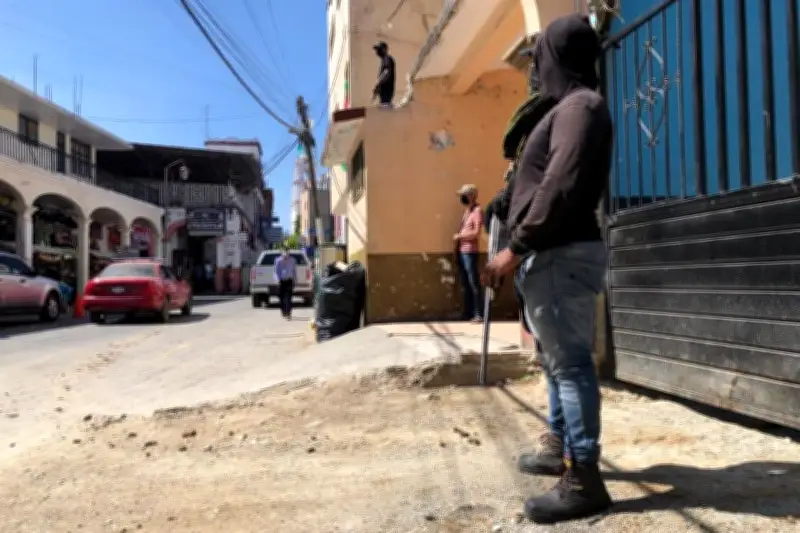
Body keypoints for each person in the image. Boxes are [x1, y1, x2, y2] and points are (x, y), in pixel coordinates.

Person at [481, 14, 613, 524]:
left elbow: (560, 184)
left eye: (540, 57)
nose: (536, 68)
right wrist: (508, 199)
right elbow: (541, 179)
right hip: (551, 255)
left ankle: (584, 479)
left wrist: (514, 248)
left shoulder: (581, 106)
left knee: (572, 364)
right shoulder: (566, 108)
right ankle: (558, 448)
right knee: (557, 362)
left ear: (559, 56)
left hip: (558, 253)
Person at [454, 184, 484, 323]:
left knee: (473, 283)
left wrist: (460, 237)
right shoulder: (468, 211)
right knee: (466, 283)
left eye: (464, 195)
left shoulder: (477, 211)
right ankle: (468, 312)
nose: (462, 198)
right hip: (462, 251)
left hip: (470, 252)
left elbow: (476, 233)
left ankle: (479, 313)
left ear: (472, 196)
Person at [274, 248, 297, 319]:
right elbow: (276, 272)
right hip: (281, 281)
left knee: (289, 297)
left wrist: (295, 280)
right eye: (284, 255)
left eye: (287, 254)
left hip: (289, 281)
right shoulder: (278, 261)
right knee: (282, 298)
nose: (286, 256)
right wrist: (277, 280)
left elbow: (294, 271)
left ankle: (288, 313)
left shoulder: (292, 260)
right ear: (282, 254)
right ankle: (283, 311)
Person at [372, 41, 396, 108]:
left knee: (385, 109)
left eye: (379, 49)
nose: (377, 51)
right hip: (384, 93)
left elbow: (386, 72)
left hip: (387, 92)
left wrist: (378, 83)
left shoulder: (387, 58)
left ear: (384, 49)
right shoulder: (384, 60)